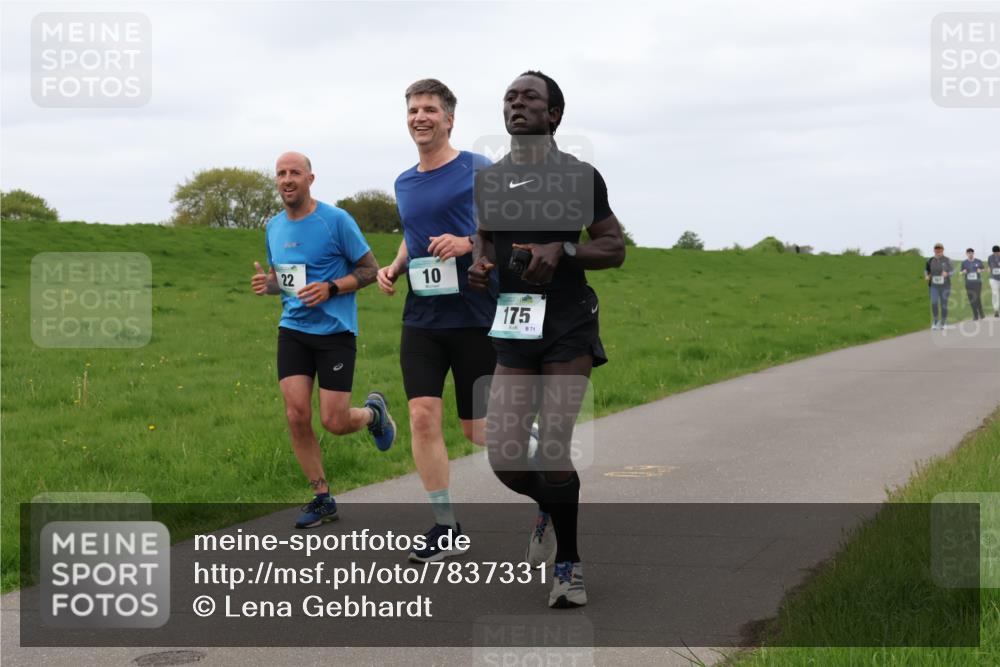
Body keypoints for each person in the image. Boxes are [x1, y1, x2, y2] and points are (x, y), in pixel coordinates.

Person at [469, 71, 626, 608]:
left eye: (529, 97)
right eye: (509, 97)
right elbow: (485, 232)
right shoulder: (490, 179)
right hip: (515, 322)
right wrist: (480, 261)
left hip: (567, 323)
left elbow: (615, 247)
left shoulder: (579, 177)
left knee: (555, 445)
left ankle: (570, 565)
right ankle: (551, 504)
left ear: (553, 114)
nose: (516, 103)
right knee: (507, 455)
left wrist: (566, 250)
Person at [376, 79, 497, 562]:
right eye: (412, 109)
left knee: (478, 431)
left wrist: (468, 243)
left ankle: (540, 468)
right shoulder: (404, 181)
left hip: (473, 313)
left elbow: (505, 225)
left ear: (449, 118)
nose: (419, 117)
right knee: (422, 417)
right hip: (422, 315)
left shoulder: (477, 168)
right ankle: (445, 527)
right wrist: (394, 266)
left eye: (429, 109)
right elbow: (413, 234)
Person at [251, 151, 395, 529]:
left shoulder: (336, 221)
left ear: (310, 179)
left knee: (333, 421)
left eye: (294, 172)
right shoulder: (273, 227)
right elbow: (286, 281)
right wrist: (268, 286)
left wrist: (331, 288)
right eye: (280, 173)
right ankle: (321, 497)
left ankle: (373, 414)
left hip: (335, 333)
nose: (286, 179)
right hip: (293, 329)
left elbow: (369, 270)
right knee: (296, 414)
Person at [924, 243, 953, 330]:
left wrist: (947, 274)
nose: (938, 250)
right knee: (934, 303)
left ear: (943, 250)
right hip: (933, 286)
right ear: (934, 250)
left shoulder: (947, 260)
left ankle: (943, 322)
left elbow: (953, 271)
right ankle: (935, 321)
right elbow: (926, 270)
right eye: (936, 249)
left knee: (944, 304)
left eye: (940, 249)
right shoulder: (930, 260)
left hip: (945, 286)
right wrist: (926, 275)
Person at [960, 248, 986, 321]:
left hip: (977, 282)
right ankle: (975, 315)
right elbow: (960, 272)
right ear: (966, 254)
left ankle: (981, 312)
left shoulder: (978, 261)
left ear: (973, 253)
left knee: (977, 297)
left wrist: (980, 270)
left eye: (971, 253)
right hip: (968, 283)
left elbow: (984, 269)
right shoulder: (964, 263)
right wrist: (963, 272)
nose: (970, 254)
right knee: (971, 299)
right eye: (969, 253)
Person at [989, 245, 1000, 318]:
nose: (996, 254)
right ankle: (996, 310)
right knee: (995, 294)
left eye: (997, 252)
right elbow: (989, 266)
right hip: (993, 278)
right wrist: (989, 269)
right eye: (994, 252)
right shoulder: (990, 257)